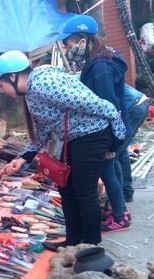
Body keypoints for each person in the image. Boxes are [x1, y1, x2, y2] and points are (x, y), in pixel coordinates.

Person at [0, 50, 126, 251]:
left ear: (12, 77)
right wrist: (23, 158)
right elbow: (42, 132)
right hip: (74, 137)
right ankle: (72, 242)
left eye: (1, 86)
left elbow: (99, 105)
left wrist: (116, 136)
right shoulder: (31, 93)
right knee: (65, 187)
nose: (3, 91)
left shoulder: (44, 85)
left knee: (84, 193)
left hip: (93, 134)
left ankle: (90, 250)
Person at [58, 14, 132, 233]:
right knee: (110, 170)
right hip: (108, 130)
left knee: (108, 172)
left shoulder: (101, 67)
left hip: (107, 131)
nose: (68, 49)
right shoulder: (96, 61)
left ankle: (120, 217)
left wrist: (110, 143)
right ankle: (119, 211)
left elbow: (109, 105)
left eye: (69, 43)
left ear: (83, 39)